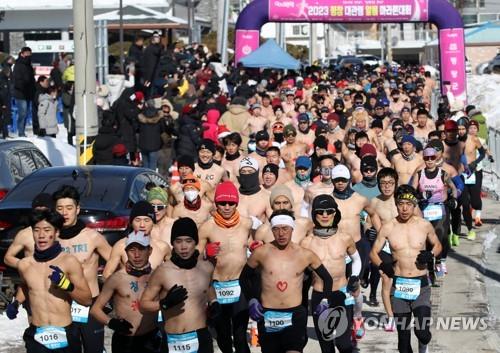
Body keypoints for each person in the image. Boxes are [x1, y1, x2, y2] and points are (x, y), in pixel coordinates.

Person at [239, 210, 334, 353]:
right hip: (268, 315)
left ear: (292, 229)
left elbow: (327, 278)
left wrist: (325, 301)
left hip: (295, 315)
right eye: (276, 229)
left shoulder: (305, 254)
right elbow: (244, 277)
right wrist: (252, 299)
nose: (281, 233)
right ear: (271, 230)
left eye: (285, 228)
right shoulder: (261, 253)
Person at [370, 185, 442, 353]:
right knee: (403, 342)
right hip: (399, 286)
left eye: (408, 204)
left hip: (421, 285)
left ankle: (423, 346)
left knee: (422, 332)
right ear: (396, 204)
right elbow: (373, 252)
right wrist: (382, 265)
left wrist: (430, 254)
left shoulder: (424, 225)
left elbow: (438, 245)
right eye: (400, 203)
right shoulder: (388, 227)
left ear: (414, 204)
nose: (404, 208)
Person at [140, 217, 218, 353]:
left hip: (201, 337)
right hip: (173, 340)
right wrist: (164, 304)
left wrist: (214, 302)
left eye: (188, 241)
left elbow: (209, 287)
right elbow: (143, 304)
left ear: (196, 242)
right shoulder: (162, 271)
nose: (183, 247)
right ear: (172, 244)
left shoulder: (206, 268)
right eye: (178, 241)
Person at [19, 209, 92, 353]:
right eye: (36, 230)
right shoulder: (24, 264)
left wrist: (66, 285)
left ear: (57, 232)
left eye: (47, 230)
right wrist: (16, 302)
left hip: (65, 333)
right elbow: (26, 287)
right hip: (37, 335)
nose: (41, 235)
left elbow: (87, 300)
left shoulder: (69, 261)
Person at [53, 185, 112, 353]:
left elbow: (116, 263)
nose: (64, 212)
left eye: (69, 208)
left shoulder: (92, 237)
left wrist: (109, 292)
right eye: (60, 208)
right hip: (61, 305)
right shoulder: (52, 239)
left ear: (77, 209)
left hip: (90, 305)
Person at [301, 195, 362, 353]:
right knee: (326, 347)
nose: (325, 215)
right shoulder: (307, 242)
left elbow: (357, 260)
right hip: (319, 296)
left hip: (341, 294)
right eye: (320, 212)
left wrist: (354, 277)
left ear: (335, 213)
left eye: (329, 211)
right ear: (314, 214)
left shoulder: (345, 238)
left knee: (343, 344)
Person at [198, 181, 253, 353]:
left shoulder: (246, 224)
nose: (227, 207)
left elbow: (251, 245)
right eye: (222, 203)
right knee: (222, 336)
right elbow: (196, 258)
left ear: (236, 203)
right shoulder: (207, 227)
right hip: (217, 286)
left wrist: (255, 247)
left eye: (231, 203)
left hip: (239, 284)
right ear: (216, 203)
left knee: (240, 336)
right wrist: (206, 253)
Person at [90, 231, 160, 353]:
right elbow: (95, 310)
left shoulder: (158, 276)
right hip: (124, 340)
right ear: (126, 252)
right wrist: (111, 322)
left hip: (150, 338)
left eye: (141, 249)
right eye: (132, 250)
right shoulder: (116, 278)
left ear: (150, 251)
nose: (137, 255)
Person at [4, 193, 55, 320]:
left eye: (45, 211)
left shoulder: (59, 232)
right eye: (38, 211)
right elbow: (8, 258)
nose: (41, 214)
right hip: (33, 292)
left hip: (57, 290)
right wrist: (25, 264)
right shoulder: (25, 234)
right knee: (35, 330)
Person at [414, 147, 457, 279]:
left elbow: (454, 188)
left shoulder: (443, 174)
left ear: (436, 158)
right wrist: (420, 196)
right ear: (424, 159)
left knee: (441, 236)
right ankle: (429, 268)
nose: (430, 160)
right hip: (424, 210)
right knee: (426, 239)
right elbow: (412, 191)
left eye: (432, 158)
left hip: (439, 210)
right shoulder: (419, 174)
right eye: (427, 158)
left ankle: (438, 261)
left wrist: (453, 199)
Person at [103, 201, 171, 279]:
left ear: (153, 223)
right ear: (131, 223)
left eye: (146, 220)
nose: (142, 225)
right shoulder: (121, 246)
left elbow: (173, 273)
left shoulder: (162, 247)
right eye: (138, 220)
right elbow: (107, 275)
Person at [236, 157, 273, 223]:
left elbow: (272, 226)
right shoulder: (234, 195)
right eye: (243, 172)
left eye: (250, 172)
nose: (247, 174)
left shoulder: (267, 197)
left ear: (257, 172)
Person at [13, 46, 35, 137]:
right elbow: (16, 79)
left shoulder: (29, 65)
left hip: (29, 92)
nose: (28, 55)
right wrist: (22, 87)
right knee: (22, 113)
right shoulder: (18, 64)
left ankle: (22, 131)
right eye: (26, 53)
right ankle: (20, 132)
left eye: (29, 53)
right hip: (21, 93)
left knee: (26, 113)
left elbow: (31, 79)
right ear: (22, 54)